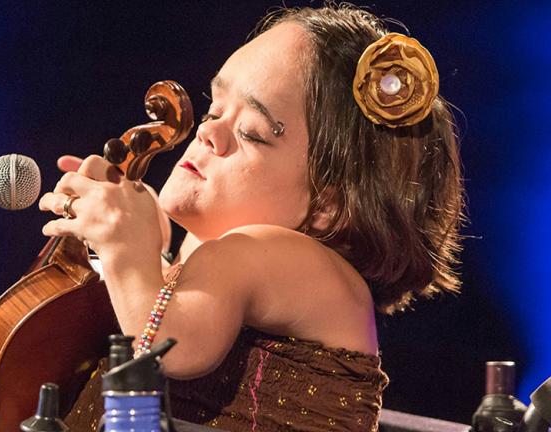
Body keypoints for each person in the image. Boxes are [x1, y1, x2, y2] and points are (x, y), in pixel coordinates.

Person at [38, 4, 463, 431]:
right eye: (215, 109)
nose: (207, 132)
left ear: (327, 207)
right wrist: (147, 247)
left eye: (252, 133)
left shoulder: (272, 251)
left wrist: (128, 252)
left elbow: (169, 347)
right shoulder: (231, 262)